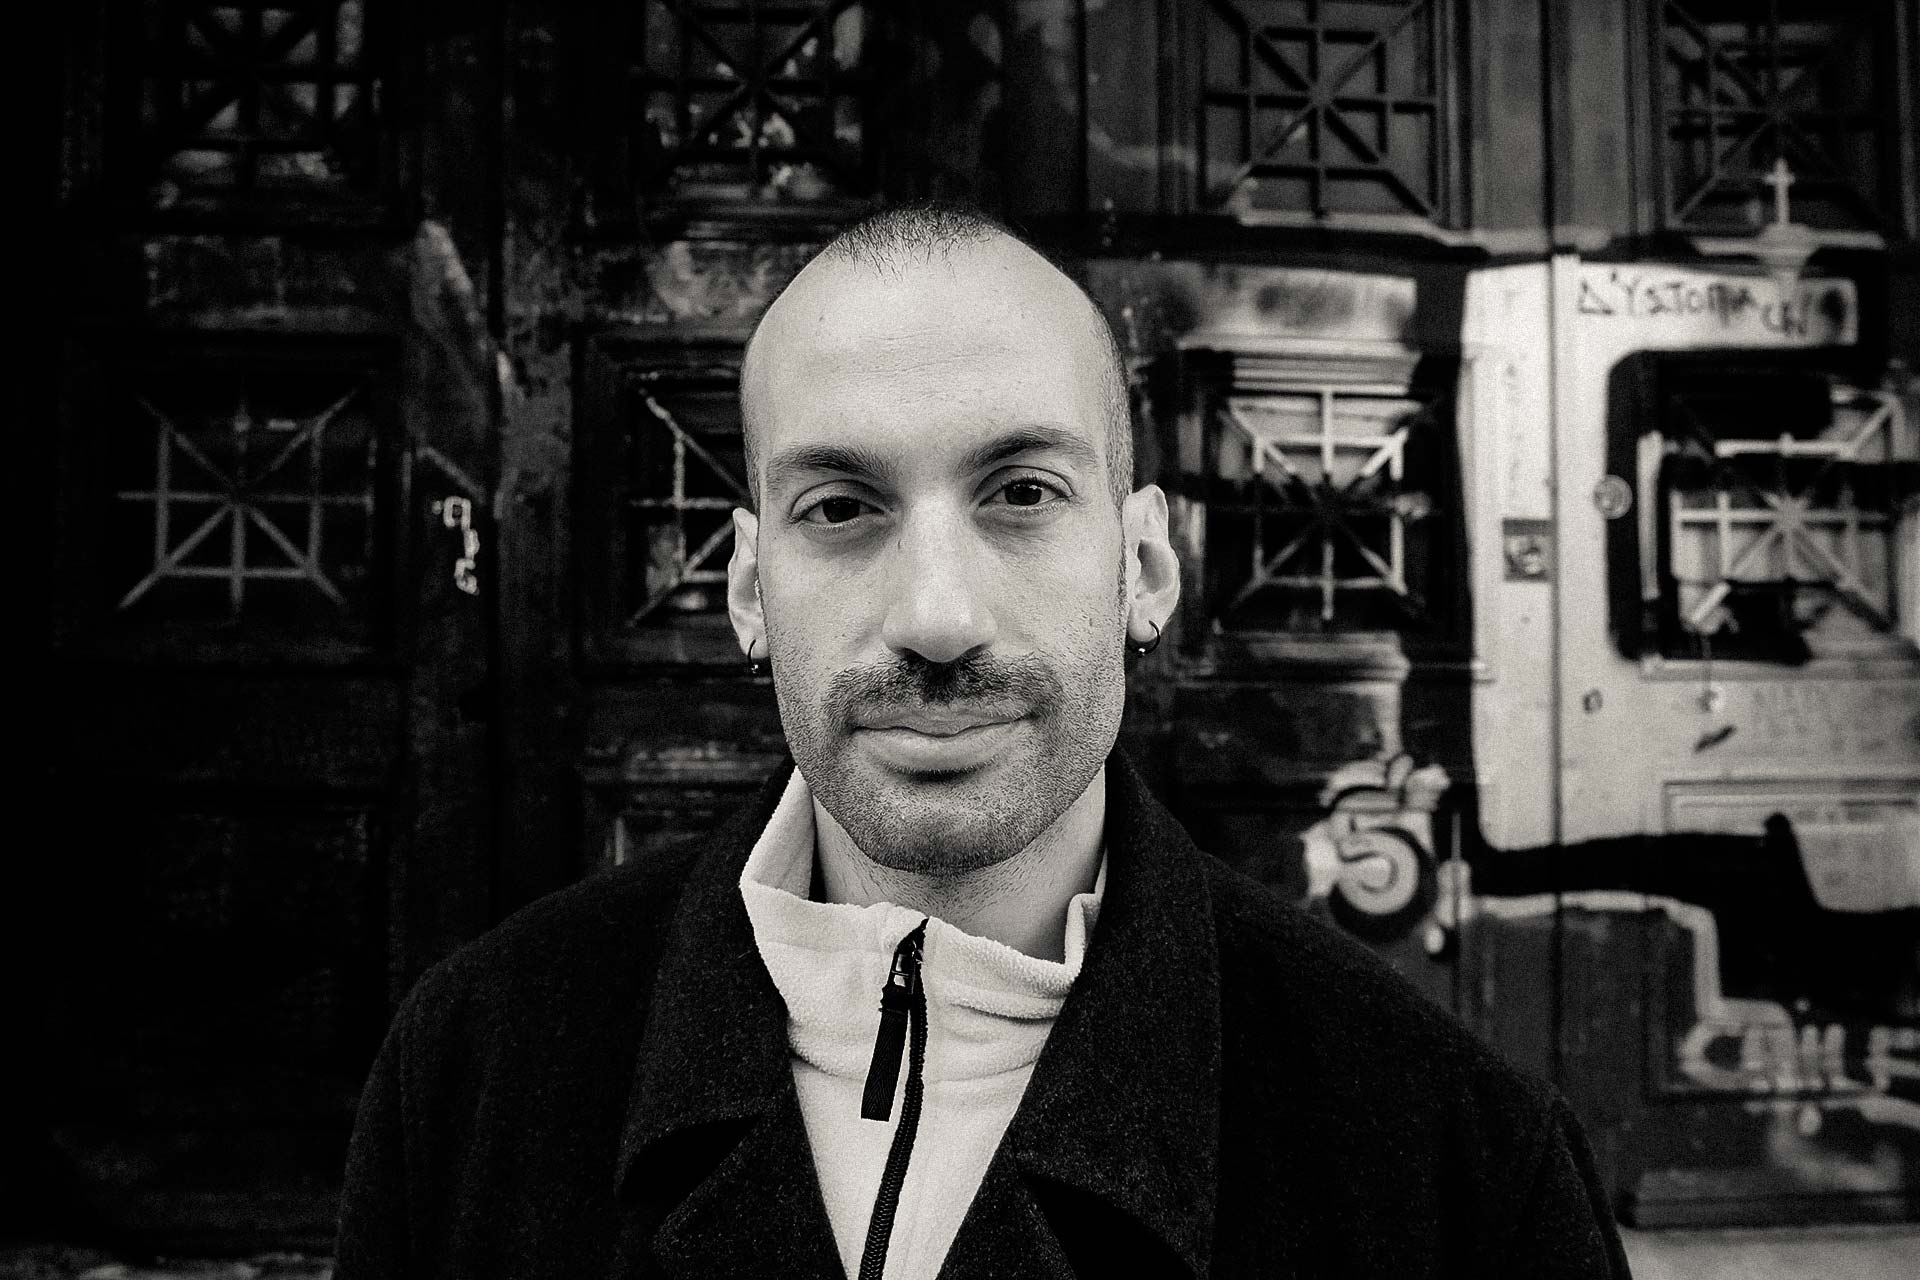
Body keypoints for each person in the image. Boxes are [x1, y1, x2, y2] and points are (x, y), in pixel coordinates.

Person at [334, 203, 1631, 1278]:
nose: (938, 618)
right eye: (841, 507)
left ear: (1143, 566)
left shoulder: (1457, 1167)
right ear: (747, 590)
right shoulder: (475, 1071)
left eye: (1021, 494)